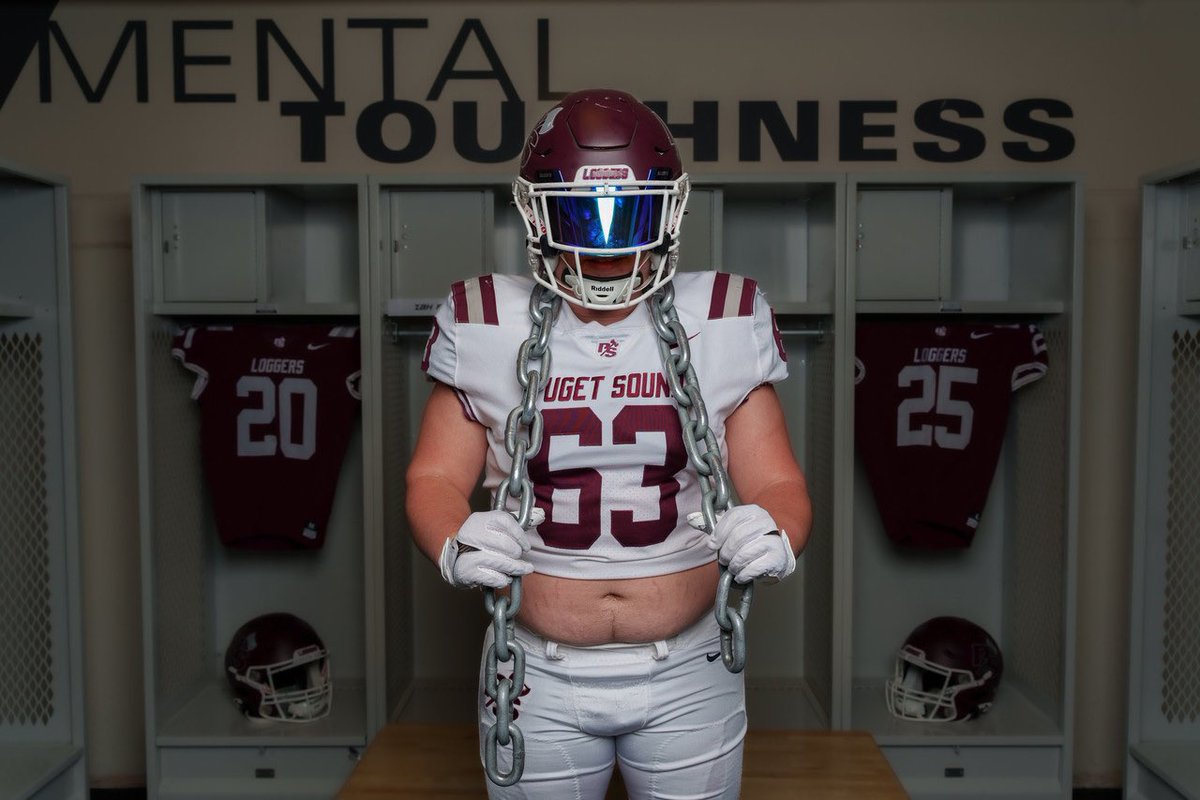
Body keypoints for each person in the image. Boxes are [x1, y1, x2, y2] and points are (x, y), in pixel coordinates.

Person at [406, 88, 811, 800]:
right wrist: (453, 541)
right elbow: (434, 477)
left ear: (668, 211)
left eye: (630, 214)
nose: (605, 243)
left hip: (690, 664)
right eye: (578, 216)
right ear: (537, 212)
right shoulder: (484, 319)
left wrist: (779, 531)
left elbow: (777, 481)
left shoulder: (723, 314)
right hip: (535, 664)